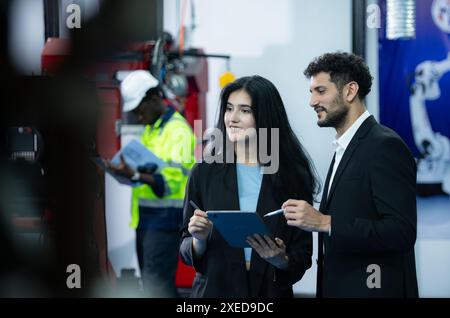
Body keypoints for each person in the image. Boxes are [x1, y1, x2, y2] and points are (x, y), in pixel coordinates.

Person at [283, 52, 418, 297]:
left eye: (320, 91)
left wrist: (325, 222)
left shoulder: (384, 146)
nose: (312, 101)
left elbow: (402, 232)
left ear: (350, 91)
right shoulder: (345, 146)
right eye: (311, 92)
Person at [179, 75, 318, 297]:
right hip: (215, 292)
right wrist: (199, 239)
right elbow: (185, 247)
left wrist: (280, 259)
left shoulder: (292, 176)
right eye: (229, 109)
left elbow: (302, 254)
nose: (232, 118)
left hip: (269, 293)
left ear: (266, 117)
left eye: (245, 111)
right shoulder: (204, 173)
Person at [107, 70, 195, 297]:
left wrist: (134, 175)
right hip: (147, 219)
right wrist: (127, 173)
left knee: (157, 286)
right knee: (153, 285)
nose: (138, 117)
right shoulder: (152, 130)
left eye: (140, 110)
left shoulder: (178, 131)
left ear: (154, 97)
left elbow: (170, 183)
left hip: (166, 221)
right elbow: (148, 171)